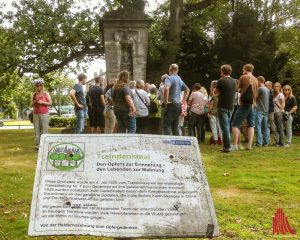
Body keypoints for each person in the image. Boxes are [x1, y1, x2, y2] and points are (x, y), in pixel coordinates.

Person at [232, 64, 258, 151]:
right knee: (251, 125)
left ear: (246, 69)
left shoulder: (243, 77)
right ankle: (249, 145)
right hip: (253, 104)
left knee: (235, 124)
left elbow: (237, 89)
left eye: (243, 69)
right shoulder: (255, 79)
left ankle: (235, 145)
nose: (242, 70)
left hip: (244, 104)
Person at [163, 64, 190, 135]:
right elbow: (187, 89)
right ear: (177, 70)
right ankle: (176, 144)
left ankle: (168, 144)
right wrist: (183, 101)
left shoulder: (169, 78)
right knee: (175, 126)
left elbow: (166, 89)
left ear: (170, 69)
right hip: (178, 105)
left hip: (171, 104)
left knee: (166, 125)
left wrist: (165, 101)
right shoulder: (179, 79)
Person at [215, 64, 237, 153]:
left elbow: (215, 91)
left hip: (222, 106)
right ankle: (226, 145)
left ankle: (227, 147)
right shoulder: (234, 81)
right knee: (227, 126)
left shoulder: (221, 81)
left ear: (222, 72)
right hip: (231, 106)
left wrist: (217, 93)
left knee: (224, 127)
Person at [31, 78, 52, 150]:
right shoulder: (34, 94)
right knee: (36, 130)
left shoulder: (46, 93)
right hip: (35, 114)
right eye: (36, 86)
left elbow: (50, 103)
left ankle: (45, 145)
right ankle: (37, 145)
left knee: (44, 130)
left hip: (44, 114)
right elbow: (31, 104)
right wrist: (33, 103)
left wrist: (42, 102)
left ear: (42, 86)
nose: (38, 87)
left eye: (39, 85)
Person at [255, 76, 270, 146]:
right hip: (266, 110)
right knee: (265, 127)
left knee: (258, 126)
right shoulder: (267, 89)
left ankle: (259, 142)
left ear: (259, 81)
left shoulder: (260, 89)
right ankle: (266, 142)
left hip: (259, 110)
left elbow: (255, 98)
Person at [208, 80, 222, 145]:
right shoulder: (221, 93)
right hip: (220, 111)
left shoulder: (212, 94)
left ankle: (215, 140)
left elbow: (210, 104)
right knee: (219, 126)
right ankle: (221, 139)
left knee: (213, 126)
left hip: (213, 111)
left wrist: (208, 112)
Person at [273, 82, 286, 147]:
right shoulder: (275, 95)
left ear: (280, 87)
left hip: (279, 113)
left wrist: (280, 112)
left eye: (277, 86)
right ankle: (279, 142)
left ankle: (282, 143)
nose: (276, 87)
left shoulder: (280, 94)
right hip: (275, 113)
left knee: (280, 128)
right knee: (278, 128)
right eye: (275, 86)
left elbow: (283, 105)